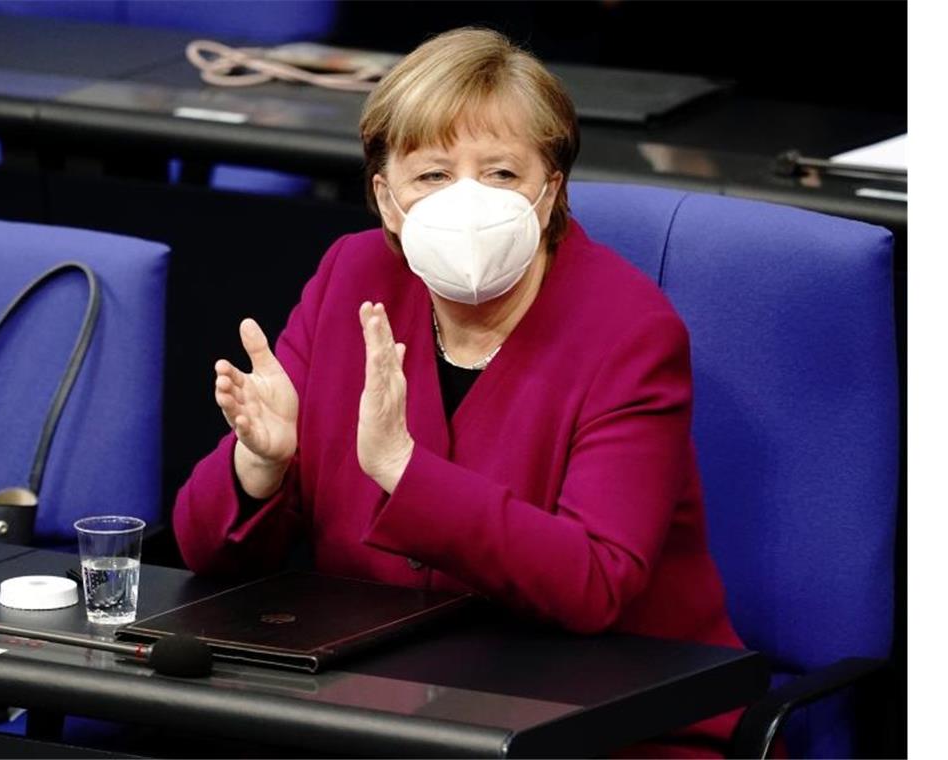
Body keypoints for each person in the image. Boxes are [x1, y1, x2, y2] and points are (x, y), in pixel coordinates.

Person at [174, 27, 746, 757]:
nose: (466, 201)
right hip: (384, 707)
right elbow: (204, 551)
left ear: (549, 193)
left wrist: (404, 473)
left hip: (608, 721)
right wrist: (263, 466)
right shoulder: (352, 277)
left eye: (501, 174)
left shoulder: (630, 329)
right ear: (387, 199)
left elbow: (596, 584)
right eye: (433, 175)